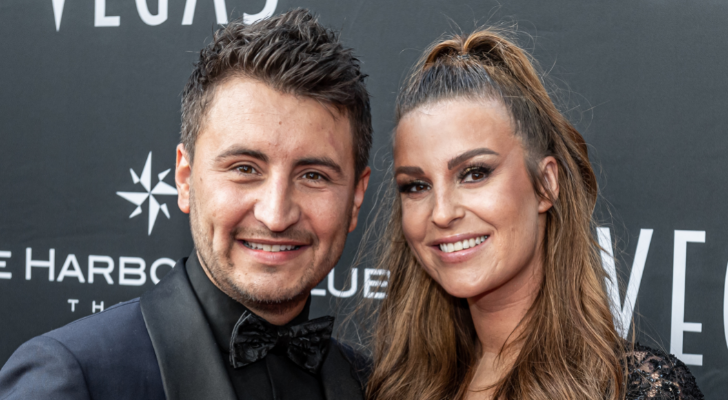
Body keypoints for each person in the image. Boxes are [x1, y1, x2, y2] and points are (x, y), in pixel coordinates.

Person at [0, 9, 372, 400]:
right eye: (244, 168)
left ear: (355, 198)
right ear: (184, 178)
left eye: (313, 176)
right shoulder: (72, 377)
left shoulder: (372, 384)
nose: (276, 215)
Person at [365, 29, 704, 400]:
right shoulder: (396, 386)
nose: (442, 213)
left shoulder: (632, 389)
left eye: (475, 173)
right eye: (416, 186)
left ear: (545, 184)